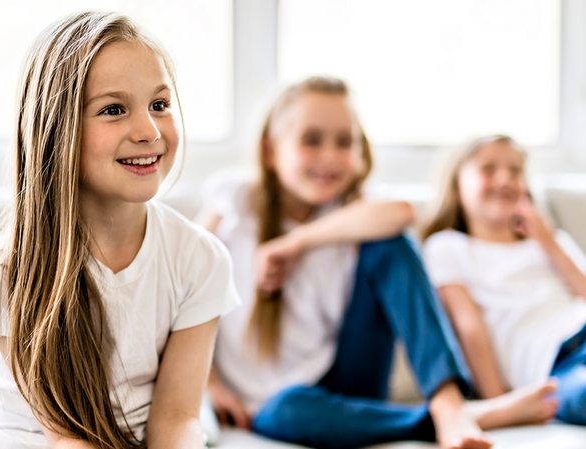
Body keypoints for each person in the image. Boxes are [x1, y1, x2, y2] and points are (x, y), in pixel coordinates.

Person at [198, 78, 557, 449]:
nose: (330, 156)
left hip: (350, 378)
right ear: (271, 151)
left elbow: (402, 213)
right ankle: (462, 417)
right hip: (274, 404)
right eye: (311, 140)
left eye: (344, 142)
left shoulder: (354, 214)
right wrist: (210, 384)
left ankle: (448, 403)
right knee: (289, 410)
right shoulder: (233, 203)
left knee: (391, 242)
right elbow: (180, 298)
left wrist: (297, 242)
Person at [0, 12, 240, 449]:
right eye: (114, 110)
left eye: (160, 105)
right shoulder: (11, 271)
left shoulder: (201, 259)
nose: (149, 130)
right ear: (57, 131)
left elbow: (177, 418)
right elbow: (66, 437)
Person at [421, 134, 586, 428]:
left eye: (515, 171)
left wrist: (549, 243)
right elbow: (469, 327)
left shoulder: (550, 241)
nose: (504, 179)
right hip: (555, 373)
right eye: (488, 169)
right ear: (456, 185)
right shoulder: (447, 246)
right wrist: (501, 402)